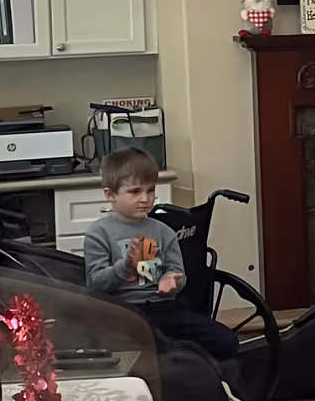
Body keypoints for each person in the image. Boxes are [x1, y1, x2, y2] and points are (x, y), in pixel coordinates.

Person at [82, 146, 237, 360]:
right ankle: (176, 359)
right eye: (135, 192)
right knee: (160, 346)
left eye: (150, 190)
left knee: (226, 341)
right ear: (111, 194)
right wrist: (126, 266)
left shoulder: (164, 231)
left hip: (166, 308)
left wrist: (171, 280)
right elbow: (95, 284)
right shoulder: (98, 233)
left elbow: (178, 273)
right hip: (125, 313)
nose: (145, 198)